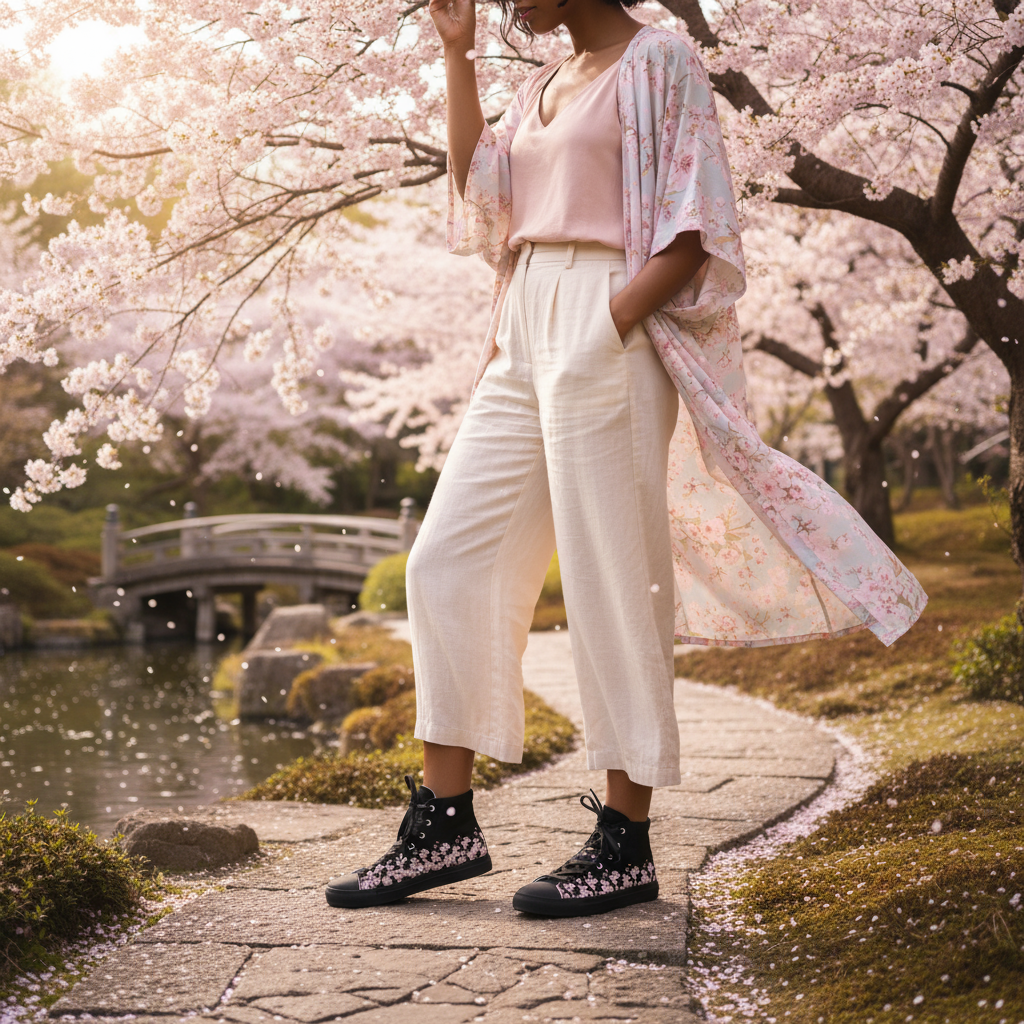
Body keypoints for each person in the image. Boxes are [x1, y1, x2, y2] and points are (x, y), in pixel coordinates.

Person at [325, 0, 926, 918]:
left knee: (612, 575)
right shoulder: (538, 85)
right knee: (446, 559)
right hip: (522, 317)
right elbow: (482, 195)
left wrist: (613, 322)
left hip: (608, 314)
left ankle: (623, 839)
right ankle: (444, 821)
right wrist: (458, 56)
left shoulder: (662, 61)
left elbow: (693, 229)